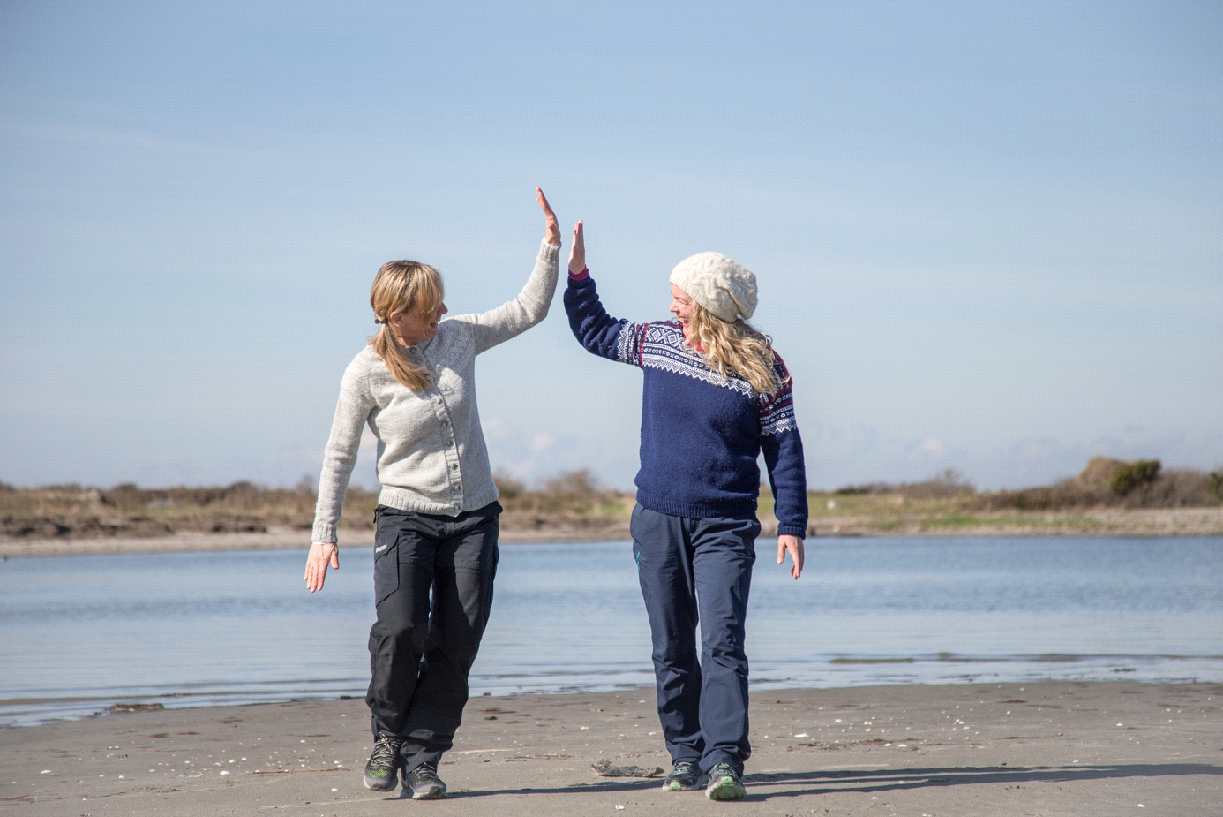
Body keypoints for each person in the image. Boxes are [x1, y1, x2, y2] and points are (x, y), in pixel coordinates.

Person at [304, 188, 562, 799]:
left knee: (457, 638)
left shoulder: (461, 337)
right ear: (397, 314)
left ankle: (424, 757)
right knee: (399, 631)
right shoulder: (364, 371)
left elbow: (527, 310)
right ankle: (388, 736)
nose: (443, 308)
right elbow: (338, 456)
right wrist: (323, 534)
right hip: (405, 521)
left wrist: (550, 249)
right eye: (429, 305)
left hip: (475, 519)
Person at [562, 220, 807, 800]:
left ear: (711, 305)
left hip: (726, 524)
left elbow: (785, 448)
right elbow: (594, 330)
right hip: (658, 518)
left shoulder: (765, 367)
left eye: (681, 298)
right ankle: (684, 755)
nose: (671, 306)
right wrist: (577, 274)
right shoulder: (656, 341)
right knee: (671, 645)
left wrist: (791, 524)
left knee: (722, 641)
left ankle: (724, 760)